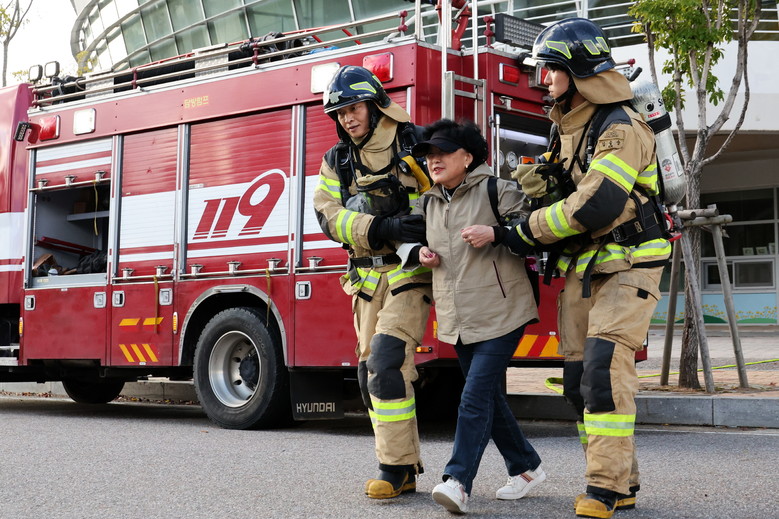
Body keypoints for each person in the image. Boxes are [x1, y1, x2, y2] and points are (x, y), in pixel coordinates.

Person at [504, 18, 671, 519]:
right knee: (580, 381)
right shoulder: (567, 128)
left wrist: (527, 230)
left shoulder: (620, 127)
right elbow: (568, 194)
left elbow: (596, 205)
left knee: (603, 370)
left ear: (577, 72)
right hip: (585, 267)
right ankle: (625, 481)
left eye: (551, 69)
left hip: (630, 264)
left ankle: (604, 488)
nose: (544, 79)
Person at [404, 119, 545, 515]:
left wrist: (496, 233)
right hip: (458, 318)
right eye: (429, 155)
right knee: (488, 397)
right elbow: (407, 238)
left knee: (473, 397)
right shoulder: (429, 202)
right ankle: (526, 467)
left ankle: (457, 481)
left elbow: (534, 231)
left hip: (503, 311)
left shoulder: (498, 189)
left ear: (467, 157)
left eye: (443, 153)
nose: (434, 160)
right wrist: (417, 253)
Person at [312, 65, 433, 499]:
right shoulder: (337, 160)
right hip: (365, 278)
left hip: (410, 272)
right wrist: (380, 227)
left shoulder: (414, 143)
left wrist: (418, 229)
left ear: (376, 105)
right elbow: (327, 216)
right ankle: (405, 465)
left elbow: (445, 197)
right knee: (369, 376)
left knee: (386, 362)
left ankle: (393, 469)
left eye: (355, 108)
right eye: (340, 113)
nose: (347, 118)